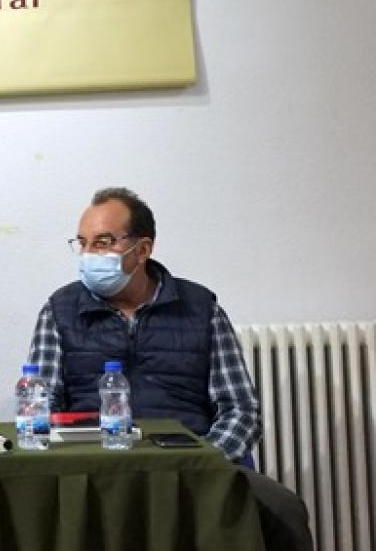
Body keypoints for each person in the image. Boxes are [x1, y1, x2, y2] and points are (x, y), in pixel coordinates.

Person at [27, 187, 311, 551]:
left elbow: (240, 408)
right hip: (97, 472)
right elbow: (40, 407)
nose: (89, 255)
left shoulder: (200, 308)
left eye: (103, 242)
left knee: (283, 509)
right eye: (82, 243)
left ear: (142, 249)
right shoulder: (59, 311)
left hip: (196, 463)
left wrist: (201, 463)